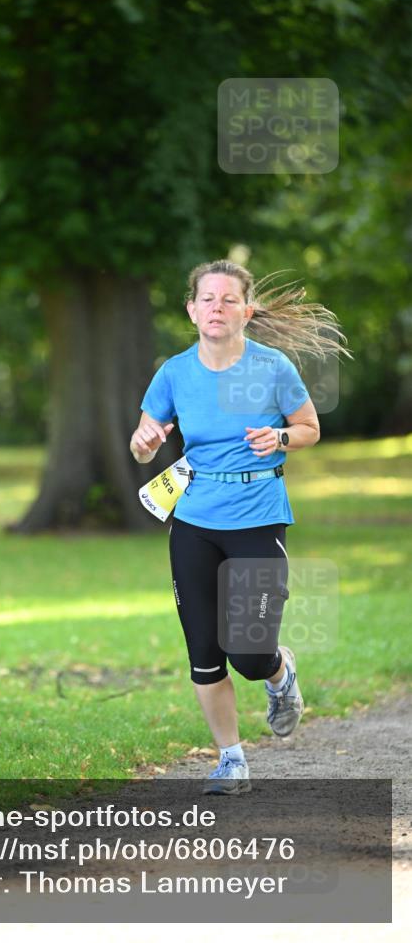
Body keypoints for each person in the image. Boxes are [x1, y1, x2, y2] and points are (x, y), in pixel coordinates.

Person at [130, 259, 353, 794]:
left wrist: (279, 439)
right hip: (194, 521)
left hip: (257, 516)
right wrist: (144, 442)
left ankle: (279, 674)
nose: (217, 308)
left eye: (229, 299)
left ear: (246, 311)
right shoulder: (174, 372)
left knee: (249, 655)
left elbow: (309, 428)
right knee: (205, 654)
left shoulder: (272, 367)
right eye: (208, 299)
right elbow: (146, 432)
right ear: (191, 309)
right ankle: (231, 760)